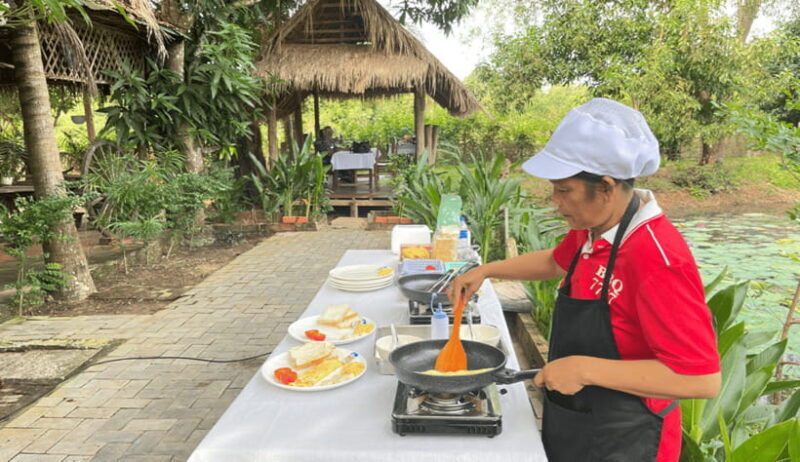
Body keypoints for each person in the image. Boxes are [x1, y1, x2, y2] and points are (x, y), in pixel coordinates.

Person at [448, 98, 720, 462]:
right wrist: (485, 270)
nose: (555, 203)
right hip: (578, 417)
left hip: (629, 437)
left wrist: (584, 369)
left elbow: (700, 379)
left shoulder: (657, 258)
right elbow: (554, 261)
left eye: (564, 190)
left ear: (606, 187)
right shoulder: (596, 226)